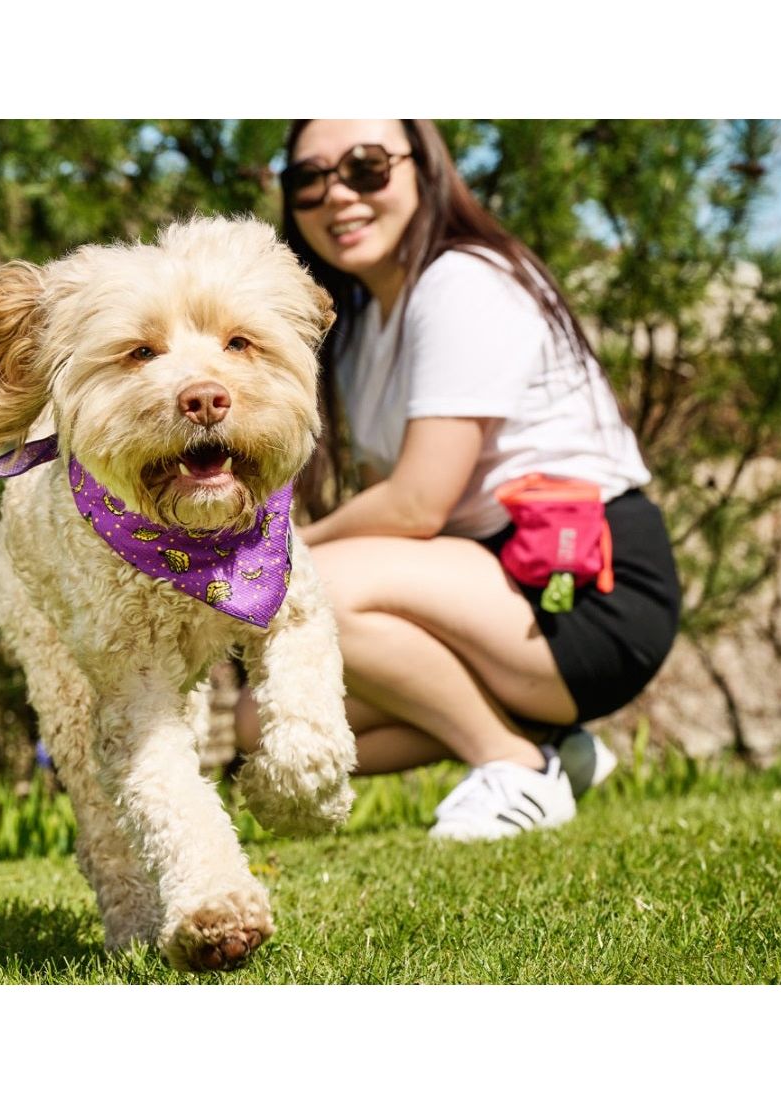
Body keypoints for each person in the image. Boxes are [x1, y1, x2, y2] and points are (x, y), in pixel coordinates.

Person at [235, 119, 681, 841]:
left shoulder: (461, 280)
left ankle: (513, 765)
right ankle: (546, 745)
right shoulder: (362, 323)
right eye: (308, 178)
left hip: (585, 583)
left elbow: (415, 504)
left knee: (295, 584)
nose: (337, 194)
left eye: (366, 167)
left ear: (425, 166)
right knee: (267, 719)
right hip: (486, 586)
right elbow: (404, 518)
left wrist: (270, 546)